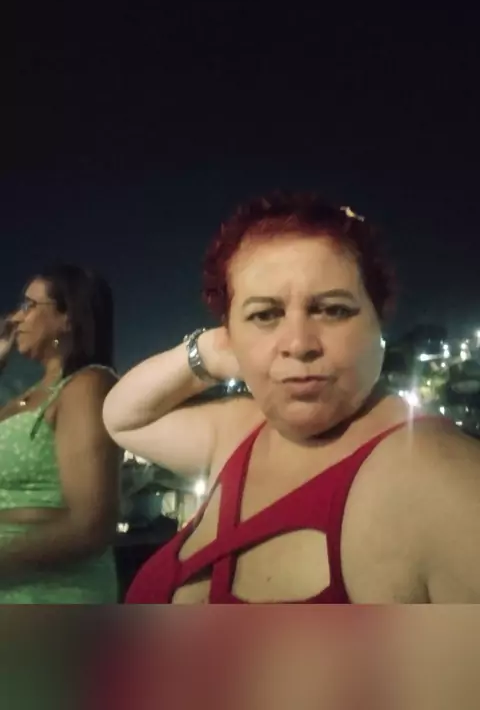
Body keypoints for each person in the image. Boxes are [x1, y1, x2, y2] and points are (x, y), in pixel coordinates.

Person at [104, 192, 480, 604]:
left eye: (333, 310)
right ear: (229, 333)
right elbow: (122, 418)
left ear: (379, 320)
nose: (299, 343)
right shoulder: (241, 431)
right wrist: (209, 353)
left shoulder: (441, 479)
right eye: (265, 315)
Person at [0, 264, 120, 603]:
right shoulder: (23, 398)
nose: (15, 318)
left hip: (48, 594)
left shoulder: (87, 386)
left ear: (68, 318)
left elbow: (91, 525)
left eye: (28, 305)